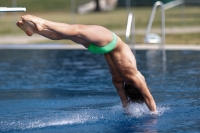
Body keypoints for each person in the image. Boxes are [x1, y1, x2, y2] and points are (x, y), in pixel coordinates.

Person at [16, 14, 157, 113]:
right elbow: (125, 103)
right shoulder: (118, 81)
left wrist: (154, 112)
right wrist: (150, 116)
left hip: (111, 43)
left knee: (77, 29)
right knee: (68, 34)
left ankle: (42, 22)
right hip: (97, 48)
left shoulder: (136, 76)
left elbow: (149, 98)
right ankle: (34, 30)